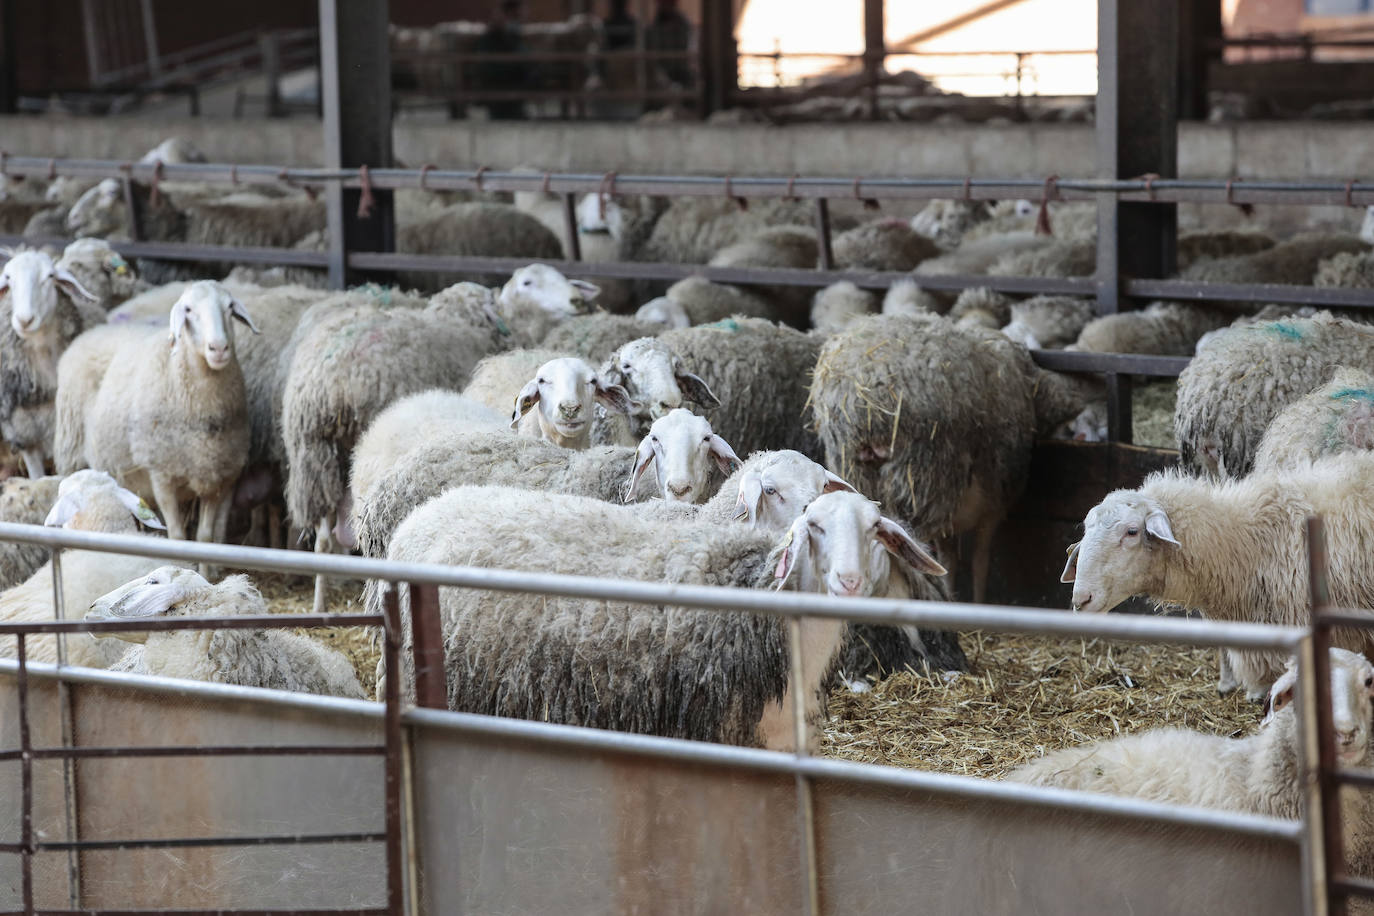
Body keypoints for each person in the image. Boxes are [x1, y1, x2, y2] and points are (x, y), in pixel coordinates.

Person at [475, 0, 528, 120]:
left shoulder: (511, 35)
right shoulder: (493, 37)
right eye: (518, 16)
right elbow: (488, 68)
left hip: (510, 87)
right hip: (500, 88)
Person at [645, 0, 692, 87]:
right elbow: (653, 56)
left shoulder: (683, 23)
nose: (666, 4)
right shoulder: (652, 27)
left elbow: (685, 50)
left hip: (680, 70)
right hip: (660, 71)